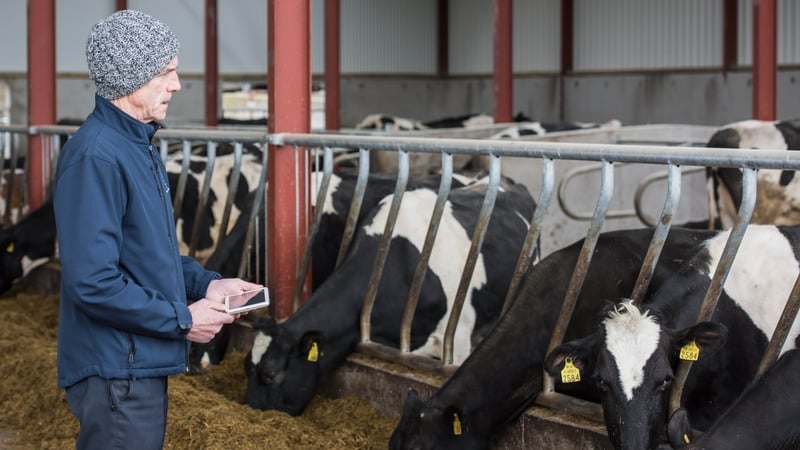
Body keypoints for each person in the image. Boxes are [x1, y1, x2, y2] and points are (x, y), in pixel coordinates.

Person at [53, 10, 262, 450]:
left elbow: (148, 255)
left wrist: (210, 285)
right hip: (115, 368)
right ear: (132, 76)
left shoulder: (135, 145)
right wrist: (184, 319)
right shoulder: (98, 157)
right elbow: (92, 282)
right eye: (166, 72)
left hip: (131, 360)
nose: (177, 84)